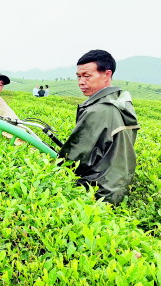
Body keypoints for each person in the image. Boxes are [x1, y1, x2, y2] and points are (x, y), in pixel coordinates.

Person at [58, 50, 140, 205]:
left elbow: (73, 159)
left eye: (87, 76)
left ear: (106, 75)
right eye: (79, 76)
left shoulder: (99, 110)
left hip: (97, 192)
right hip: (116, 188)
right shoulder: (120, 102)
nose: (81, 82)